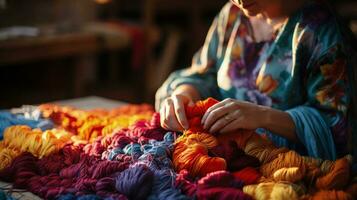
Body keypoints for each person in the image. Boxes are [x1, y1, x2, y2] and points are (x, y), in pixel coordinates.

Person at [155, 0, 357, 161]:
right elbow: (205, 71)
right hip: (227, 158)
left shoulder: (324, 34)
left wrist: (262, 117)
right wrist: (185, 93)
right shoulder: (232, 15)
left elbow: (338, 128)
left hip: (287, 167)